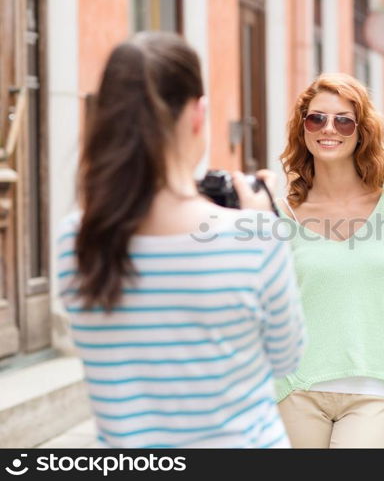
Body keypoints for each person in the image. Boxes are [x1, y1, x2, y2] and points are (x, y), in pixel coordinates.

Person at [56, 32, 305, 448]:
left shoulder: (78, 240)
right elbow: (288, 358)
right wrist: (260, 220)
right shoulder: (256, 238)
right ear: (197, 115)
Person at [276, 73, 384, 448]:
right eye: (317, 118)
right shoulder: (280, 211)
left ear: (363, 130)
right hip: (295, 389)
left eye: (344, 119)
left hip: (376, 390)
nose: (329, 129)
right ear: (303, 127)